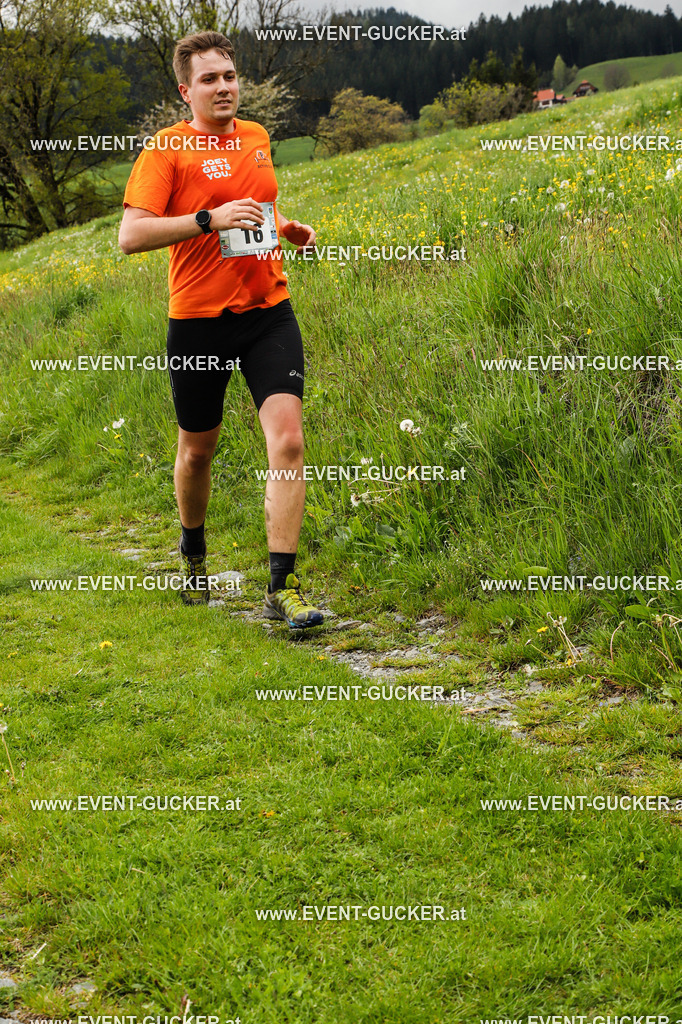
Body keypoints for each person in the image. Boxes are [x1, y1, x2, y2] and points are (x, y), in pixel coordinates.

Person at [118, 30, 323, 629]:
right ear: (186, 90)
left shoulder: (258, 137)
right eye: (209, 79)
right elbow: (131, 236)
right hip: (199, 323)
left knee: (287, 442)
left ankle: (282, 586)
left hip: (267, 313)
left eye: (230, 76)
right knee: (197, 450)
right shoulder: (166, 151)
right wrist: (205, 220)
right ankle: (193, 552)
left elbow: (256, 205)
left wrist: (284, 227)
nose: (224, 87)